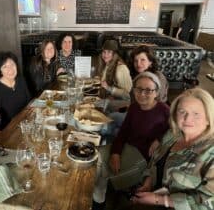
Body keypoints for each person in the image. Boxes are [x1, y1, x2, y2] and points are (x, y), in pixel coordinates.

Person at [92, 72, 170, 210]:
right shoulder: (134, 107)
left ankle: (98, 204)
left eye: (148, 90)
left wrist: (159, 139)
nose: (142, 93)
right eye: (138, 89)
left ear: (156, 92)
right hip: (128, 149)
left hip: (145, 160)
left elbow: (174, 131)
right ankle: (98, 201)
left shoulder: (163, 110)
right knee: (94, 159)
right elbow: (123, 133)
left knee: (100, 168)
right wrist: (116, 152)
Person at [127, 87, 214, 210]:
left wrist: (161, 200)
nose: (187, 119)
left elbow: (210, 203)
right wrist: (148, 181)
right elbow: (154, 162)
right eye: (182, 111)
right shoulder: (172, 134)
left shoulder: (210, 151)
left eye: (196, 114)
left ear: (209, 119)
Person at [0, 51, 31, 128]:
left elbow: (29, 102)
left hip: (27, 121)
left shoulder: (21, 80)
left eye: (12, 64)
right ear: (0, 70)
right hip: (10, 127)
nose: (10, 69)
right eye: (5, 67)